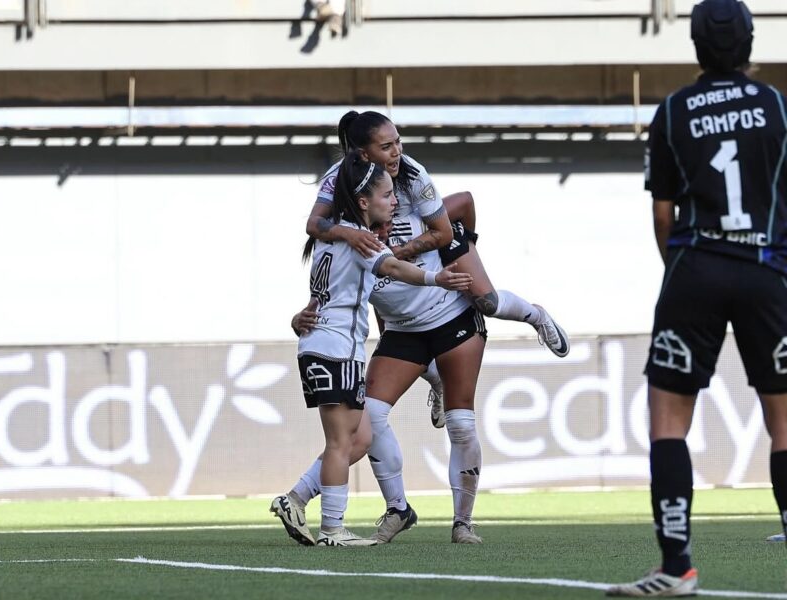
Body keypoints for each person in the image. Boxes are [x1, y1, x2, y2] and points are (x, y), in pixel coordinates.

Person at [607, 0, 787, 595]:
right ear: (750, 42)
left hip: (695, 269)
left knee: (668, 421)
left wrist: (684, 271)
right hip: (767, 269)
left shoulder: (673, 110)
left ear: (695, 46)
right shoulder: (778, 107)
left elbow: (662, 213)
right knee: (783, 420)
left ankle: (677, 564)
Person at [308, 110, 570, 429]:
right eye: (387, 146)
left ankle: (535, 315)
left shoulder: (413, 173)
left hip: (434, 243)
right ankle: (436, 380)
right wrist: (354, 236)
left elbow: (455, 215)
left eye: (398, 142)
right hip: (384, 260)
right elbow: (314, 225)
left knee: (486, 302)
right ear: (364, 155)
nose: (397, 152)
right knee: (394, 334)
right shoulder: (340, 178)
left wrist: (447, 248)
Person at [273, 208, 488, 546]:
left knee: (456, 423)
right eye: (384, 199)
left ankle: (462, 523)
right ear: (364, 204)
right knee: (353, 434)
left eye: (392, 198)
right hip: (372, 340)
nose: (391, 210)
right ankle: (379, 511)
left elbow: (464, 203)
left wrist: (464, 246)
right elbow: (382, 272)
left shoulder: (411, 193)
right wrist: (435, 277)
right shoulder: (359, 243)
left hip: (449, 320)